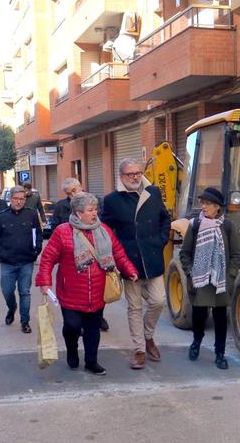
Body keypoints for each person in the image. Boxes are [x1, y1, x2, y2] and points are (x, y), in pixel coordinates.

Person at [36, 192, 138, 375]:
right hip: (70, 292)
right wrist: (45, 281)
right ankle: (72, 351)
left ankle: (91, 361)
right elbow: (47, 259)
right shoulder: (62, 232)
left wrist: (130, 270)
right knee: (72, 326)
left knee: (92, 329)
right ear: (78, 212)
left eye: (95, 209)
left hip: (98, 291)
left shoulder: (104, 230)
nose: (94, 213)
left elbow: (118, 253)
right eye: (90, 210)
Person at [101, 158, 171, 370]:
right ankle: (140, 349)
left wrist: (160, 241)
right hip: (129, 261)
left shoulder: (153, 192)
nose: (135, 177)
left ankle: (148, 336)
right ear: (121, 176)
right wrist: (116, 255)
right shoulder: (112, 200)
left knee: (158, 301)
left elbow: (165, 219)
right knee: (134, 307)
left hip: (153, 257)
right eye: (130, 174)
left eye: (138, 173)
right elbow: (106, 231)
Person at [179, 187, 240, 370]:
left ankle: (220, 353)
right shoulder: (195, 225)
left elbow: (236, 254)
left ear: (217, 207)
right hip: (200, 279)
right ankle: (196, 342)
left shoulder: (227, 226)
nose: (203, 207)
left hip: (220, 280)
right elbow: (184, 253)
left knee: (220, 318)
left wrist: (230, 276)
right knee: (198, 316)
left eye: (207, 204)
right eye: (203, 203)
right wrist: (190, 273)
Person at [52, 177, 110, 332]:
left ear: (81, 187)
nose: (72, 195)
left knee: (96, 287)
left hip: (96, 250)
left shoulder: (96, 201)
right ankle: (79, 321)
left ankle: (98, 316)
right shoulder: (61, 206)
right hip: (71, 253)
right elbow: (55, 227)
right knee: (77, 290)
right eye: (68, 193)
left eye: (74, 191)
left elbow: (104, 222)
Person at [0, 185, 42, 333]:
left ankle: (25, 322)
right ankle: (12, 308)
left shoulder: (31, 214)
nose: (19, 201)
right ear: (10, 199)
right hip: (8, 262)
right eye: (16, 198)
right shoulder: (1, 216)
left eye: (22, 199)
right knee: (7, 291)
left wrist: (36, 249)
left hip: (26, 261)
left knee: (24, 292)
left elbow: (37, 233)